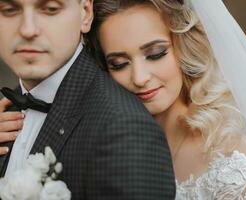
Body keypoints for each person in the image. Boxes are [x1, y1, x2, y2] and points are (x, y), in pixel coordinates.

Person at [1, 0, 246, 199]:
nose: (140, 77)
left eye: (155, 54)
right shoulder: (87, 130)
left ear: (183, 46)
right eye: (119, 63)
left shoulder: (233, 160)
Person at [0, 0, 176, 199]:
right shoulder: (10, 104)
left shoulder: (125, 130)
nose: (27, 29)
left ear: (85, 12)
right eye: (9, 10)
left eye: (50, 9)